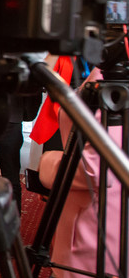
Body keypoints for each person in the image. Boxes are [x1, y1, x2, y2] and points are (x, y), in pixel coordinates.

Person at [38, 67, 122, 278]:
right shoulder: (107, 70)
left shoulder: (116, 85)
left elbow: (95, 170)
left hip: (95, 232)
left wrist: (48, 164)